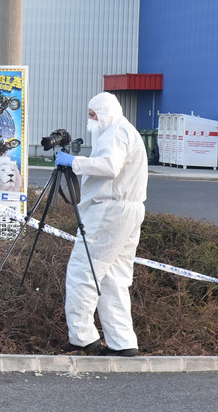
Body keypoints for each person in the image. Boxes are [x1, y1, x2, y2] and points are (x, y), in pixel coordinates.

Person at [55, 92, 148, 357]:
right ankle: (123, 342)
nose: (90, 121)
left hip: (109, 209)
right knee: (113, 278)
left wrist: (74, 162)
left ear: (105, 112)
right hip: (128, 209)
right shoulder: (126, 131)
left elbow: (110, 166)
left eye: (93, 115)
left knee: (82, 271)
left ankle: (82, 338)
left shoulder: (116, 133)